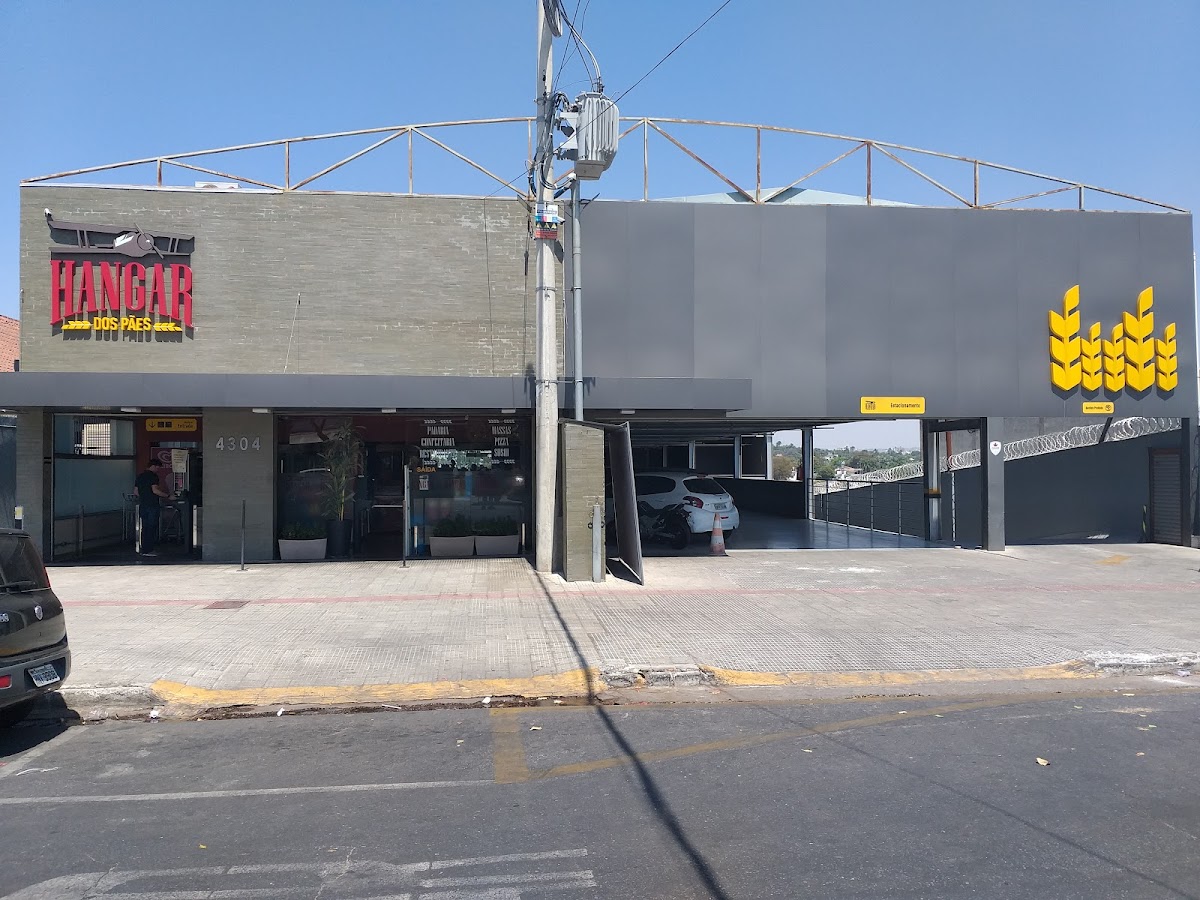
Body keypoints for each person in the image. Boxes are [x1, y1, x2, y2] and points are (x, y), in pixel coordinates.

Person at [134, 460, 172, 556]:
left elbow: (136, 492)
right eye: (157, 467)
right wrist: (167, 496)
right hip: (152, 505)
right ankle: (149, 549)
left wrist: (144, 496)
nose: (158, 470)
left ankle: (144, 549)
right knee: (152, 527)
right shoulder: (153, 476)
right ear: (153, 466)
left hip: (143, 504)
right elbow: (155, 490)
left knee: (145, 527)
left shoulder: (140, 476)